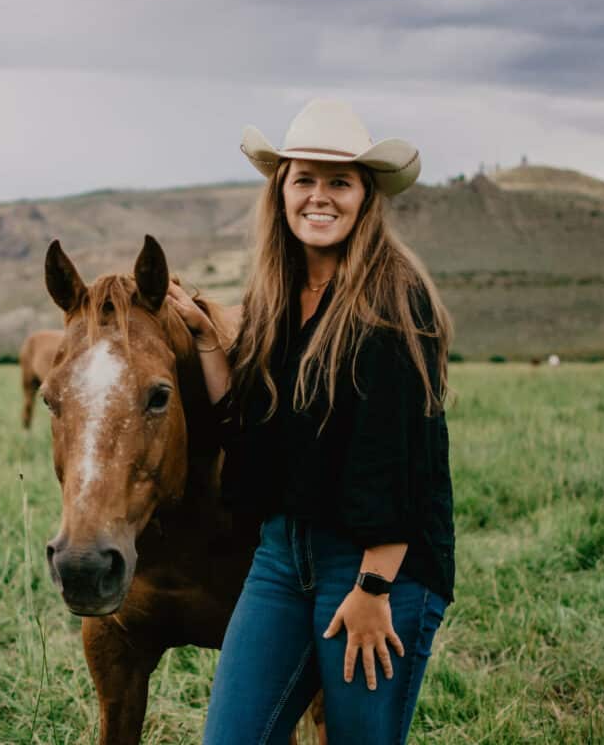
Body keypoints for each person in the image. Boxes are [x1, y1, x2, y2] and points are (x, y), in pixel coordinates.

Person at [167, 99, 455, 745]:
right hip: (280, 558)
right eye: (304, 180)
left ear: (365, 197)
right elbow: (250, 423)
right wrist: (209, 342)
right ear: (281, 191)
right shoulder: (274, 294)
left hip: (377, 568)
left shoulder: (395, 298)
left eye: (339, 182)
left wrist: (374, 585)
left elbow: (400, 454)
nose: (318, 197)